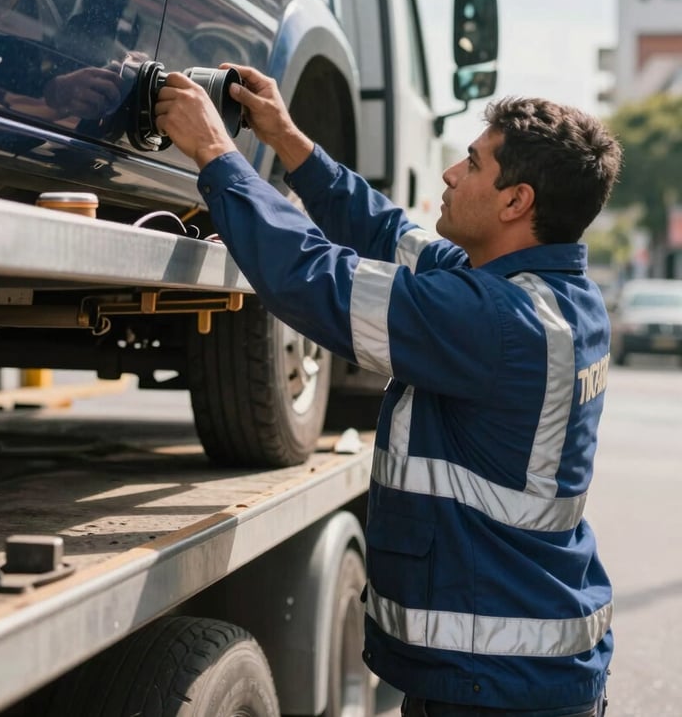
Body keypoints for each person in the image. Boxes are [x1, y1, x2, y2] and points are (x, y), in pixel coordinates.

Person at [153, 65, 623, 717]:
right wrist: (290, 141)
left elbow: (315, 281)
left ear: (516, 202)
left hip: (497, 689)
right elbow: (386, 232)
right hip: (519, 670)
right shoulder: (555, 297)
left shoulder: (499, 322)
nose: (450, 175)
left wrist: (217, 156)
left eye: (472, 163)